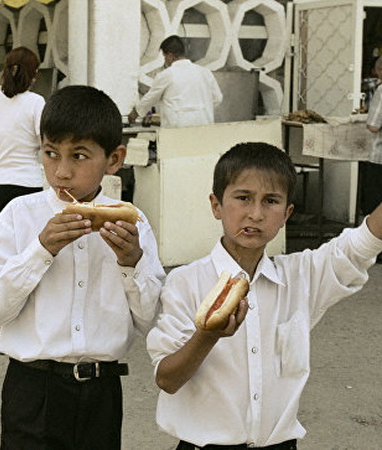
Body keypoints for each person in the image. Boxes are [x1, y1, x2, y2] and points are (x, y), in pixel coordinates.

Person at [146, 142, 382, 448]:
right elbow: (167, 379)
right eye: (243, 198)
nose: (255, 214)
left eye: (270, 201)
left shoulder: (300, 277)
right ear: (216, 205)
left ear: (287, 214)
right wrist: (208, 335)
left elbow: (358, 246)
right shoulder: (186, 283)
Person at [0, 85, 166, 449]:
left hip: (101, 391)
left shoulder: (133, 223)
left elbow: (150, 321)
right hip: (32, 388)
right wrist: (40, 250)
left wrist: (131, 263)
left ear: (114, 159)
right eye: (50, 154)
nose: (61, 171)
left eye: (79, 156)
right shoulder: (19, 216)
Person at [0, 46, 46, 216]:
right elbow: (45, 143)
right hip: (27, 182)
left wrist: (3, 151)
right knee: (27, 239)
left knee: (7, 238)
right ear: (33, 74)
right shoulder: (36, 102)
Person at [128, 35, 222, 128]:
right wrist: (200, 110)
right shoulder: (205, 72)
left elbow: (150, 98)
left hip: (177, 130)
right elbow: (218, 98)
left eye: (165, 57)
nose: (165, 61)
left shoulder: (167, 75)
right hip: (204, 127)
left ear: (170, 55)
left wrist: (134, 113)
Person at [364, 56, 382, 264]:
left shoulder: (381, 90)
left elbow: (373, 126)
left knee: (375, 203)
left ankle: (377, 250)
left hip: (379, 158)